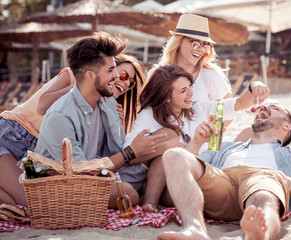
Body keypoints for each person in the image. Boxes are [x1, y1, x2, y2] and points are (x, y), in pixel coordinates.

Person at [34, 32, 167, 208]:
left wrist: (139, 151)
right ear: (90, 76)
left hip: (100, 171)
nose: (116, 76)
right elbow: (82, 174)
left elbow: (116, 149)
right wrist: (131, 152)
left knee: (167, 139)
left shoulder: (108, 102)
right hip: (66, 185)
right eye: (111, 70)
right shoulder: (60, 117)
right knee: (129, 193)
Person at [157, 103, 291, 240]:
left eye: (274, 107)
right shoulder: (227, 147)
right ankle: (195, 229)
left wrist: (286, 182)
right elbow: (185, 171)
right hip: (223, 181)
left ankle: (260, 234)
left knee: (263, 197)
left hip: (262, 179)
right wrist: (197, 142)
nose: (264, 106)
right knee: (174, 155)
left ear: (286, 126)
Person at [124, 64, 270, 212]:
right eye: (183, 90)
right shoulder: (149, 115)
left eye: (190, 86)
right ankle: (150, 203)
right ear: (166, 96)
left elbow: (238, 104)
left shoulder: (197, 108)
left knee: (247, 134)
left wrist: (255, 86)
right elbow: (128, 154)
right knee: (167, 142)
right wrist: (166, 146)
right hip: (163, 179)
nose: (191, 93)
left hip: (193, 174)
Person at [0, 66, 76, 206]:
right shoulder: (72, 75)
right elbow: (42, 107)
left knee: (24, 205)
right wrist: (80, 87)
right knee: (28, 202)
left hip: (32, 155)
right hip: (11, 134)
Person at [148, 13, 232, 102]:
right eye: (195, 43)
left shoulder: (210, 76)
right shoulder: (156, 74)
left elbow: (226, 108)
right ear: (179, 42)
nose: (201, 49)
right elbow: (149, 109)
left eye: (205, 45)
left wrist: (216, 115)